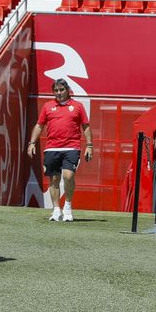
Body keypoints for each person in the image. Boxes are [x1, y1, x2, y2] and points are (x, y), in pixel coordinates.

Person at [28, 78, 92, 222]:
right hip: (52, 148)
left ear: (68, 90)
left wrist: (89, 145)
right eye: (56, 90)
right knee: (54, 179)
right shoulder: (47, 106)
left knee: (68, 176)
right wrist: (32, 143)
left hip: (72, 147)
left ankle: (67, 207)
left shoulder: (77, 106)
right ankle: (56, 210)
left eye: (61, 90)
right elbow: (39, 125)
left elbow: (86, 126)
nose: (59, 92)